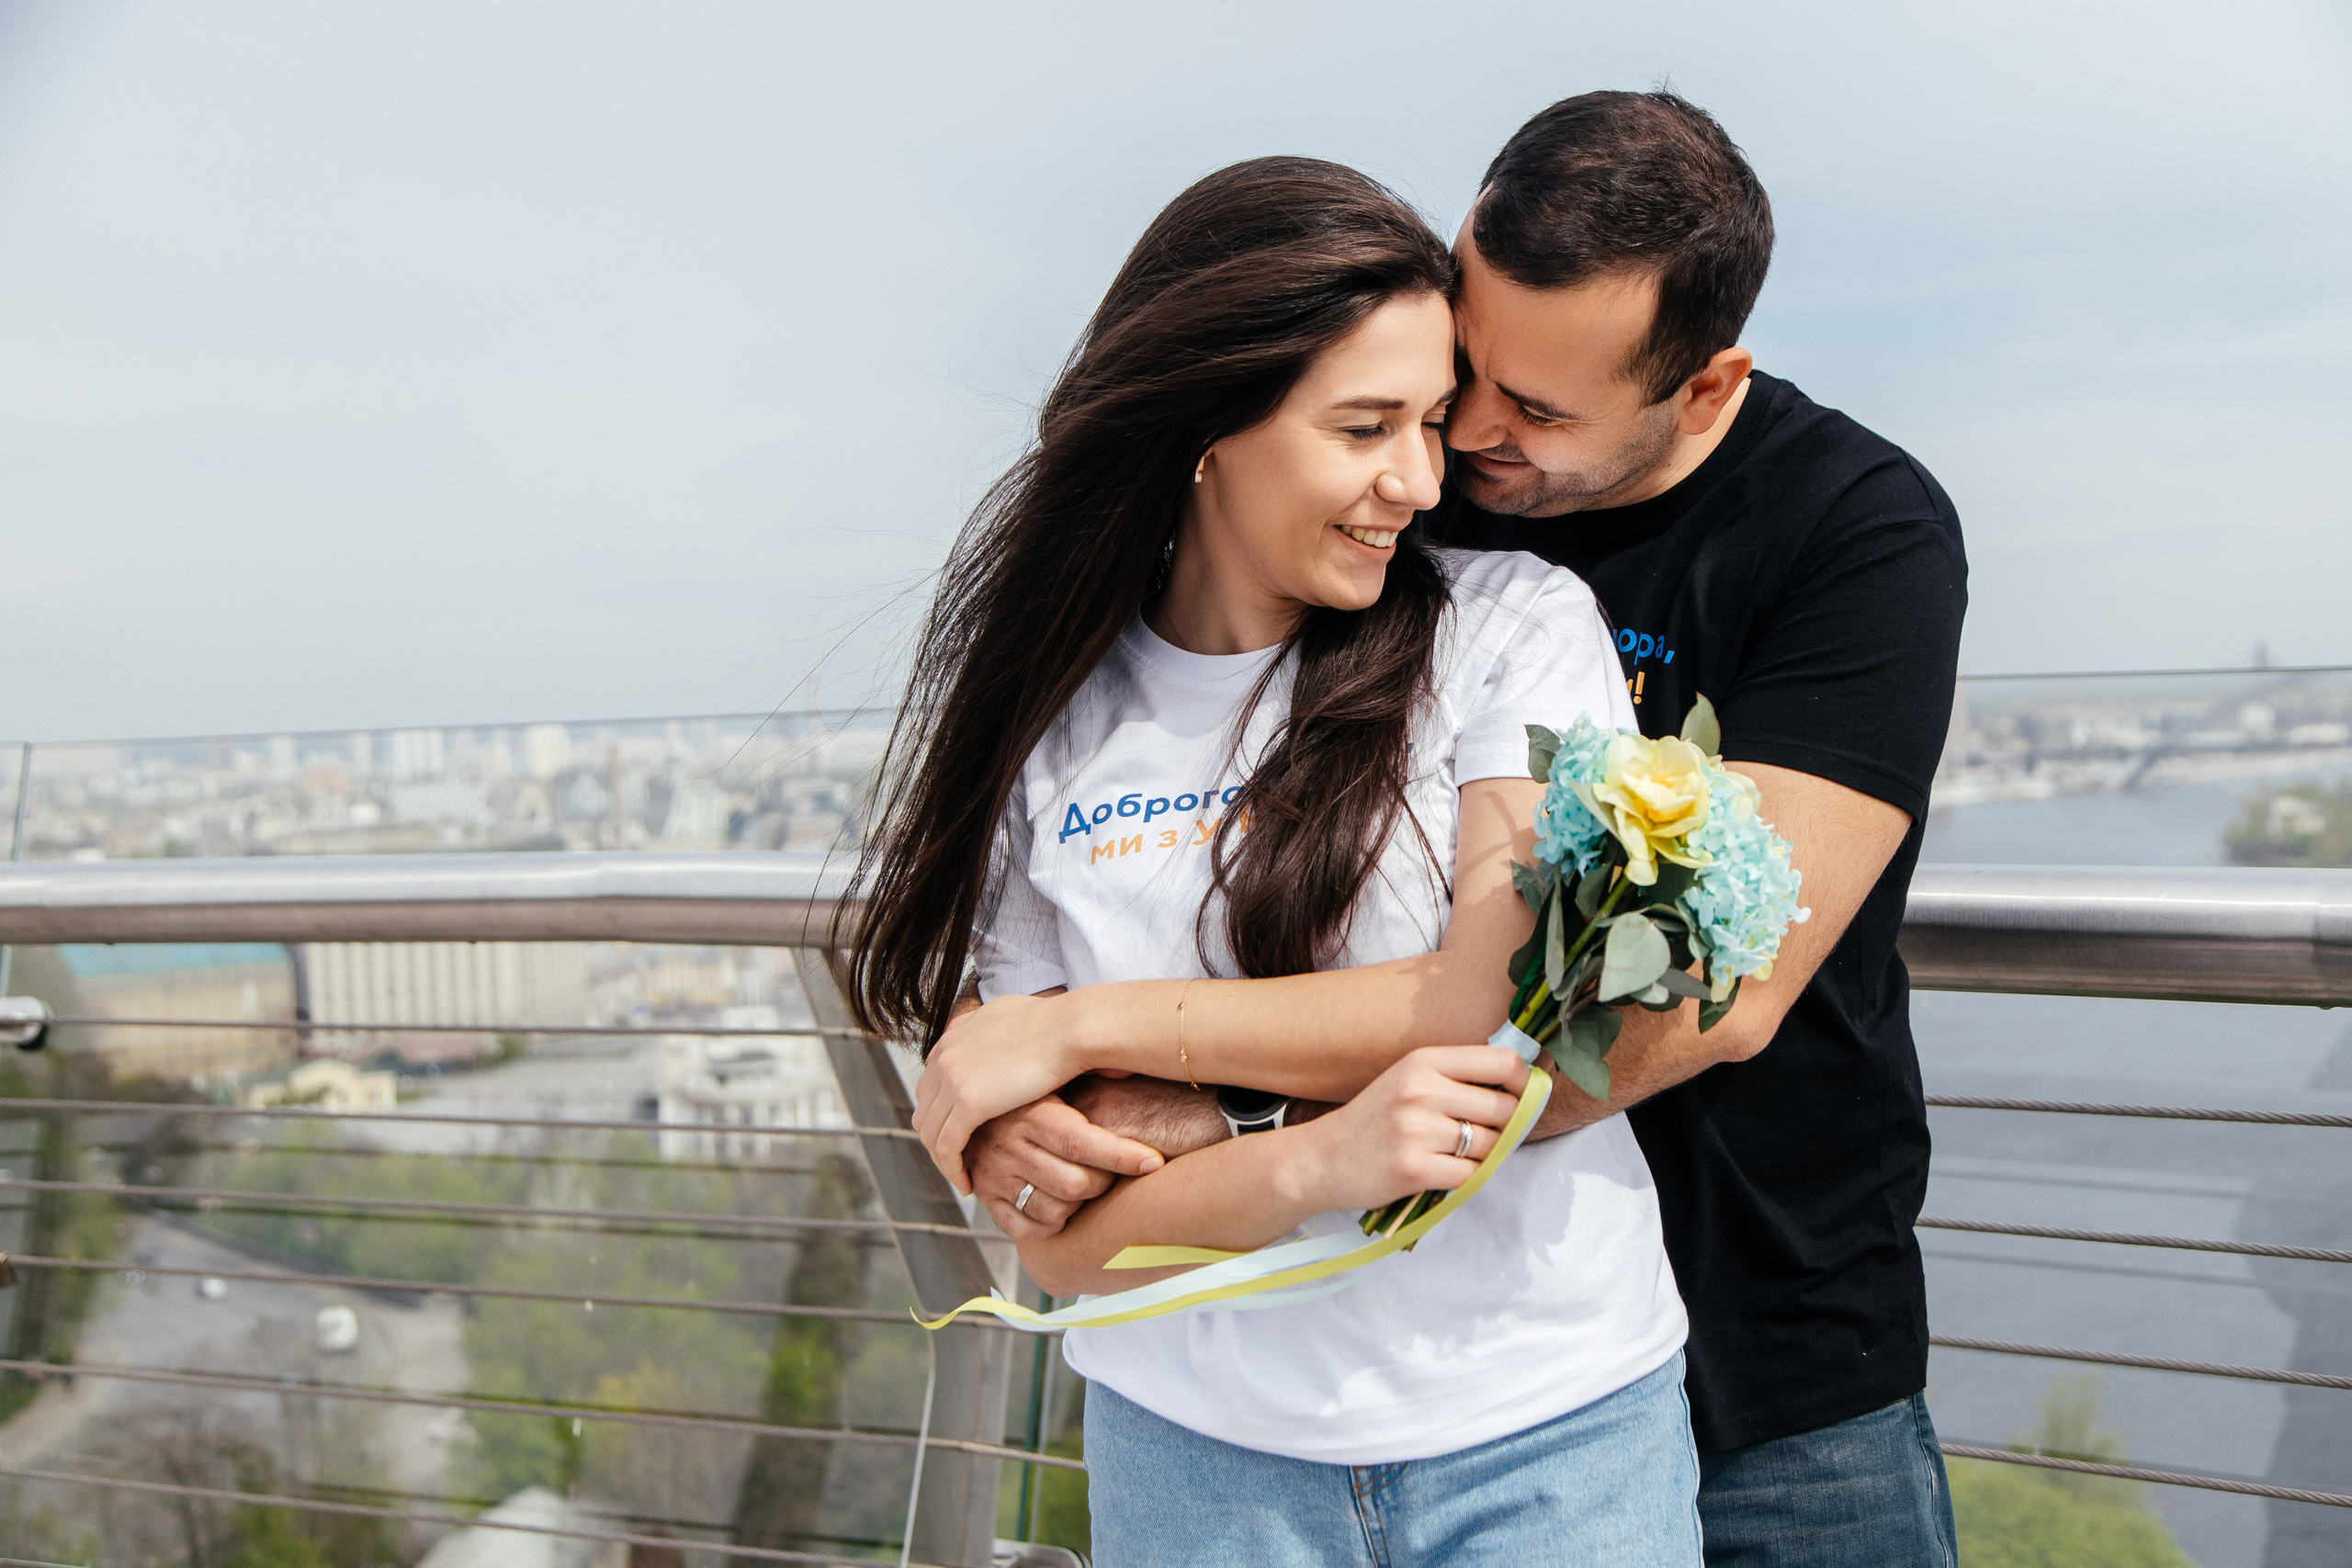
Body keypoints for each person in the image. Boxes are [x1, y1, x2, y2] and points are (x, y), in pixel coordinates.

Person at [941, 93, 1970, 1568]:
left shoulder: (1850, 534)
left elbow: (1700, 1001)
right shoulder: (1392, 527)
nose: (1462, 449)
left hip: (1767, 1334)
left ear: (1702, 384)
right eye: (1452, 382)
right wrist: (1007, 1094)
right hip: (1327, 1370)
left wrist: (1221, 1119)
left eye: (1533, 412)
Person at [852, 156, 1702, 1565]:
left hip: (1546, 1438)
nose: (1420, 482)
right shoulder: (1050, 720)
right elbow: (1064, 1247)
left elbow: (1487, 1011)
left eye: (1431, 422)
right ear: (1206, 428)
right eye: (1364, 426)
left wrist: (1084, 1033)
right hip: (1196, 1470)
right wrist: (1321, 1161)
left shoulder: (1514, 628)